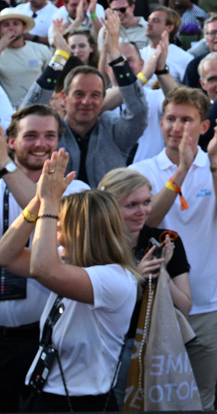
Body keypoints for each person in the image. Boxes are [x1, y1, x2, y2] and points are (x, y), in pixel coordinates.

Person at [129, 87, 217, 410]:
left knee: (202, 401)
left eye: (186, 120)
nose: (176, 127)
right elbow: (146, 220)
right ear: (161, 123)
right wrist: (181, 171)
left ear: (204, 127)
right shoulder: (142, 171)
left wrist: (214, 162)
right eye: (170, 119)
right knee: (155, 400)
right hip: (156, 306)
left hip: (210, 304)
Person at [0, 150, 139, 412]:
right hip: (45, 395)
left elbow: (43, 269)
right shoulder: (70, 265)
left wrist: (51, 203)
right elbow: (6, 255)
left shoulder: (116, 279)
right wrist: (38, 203)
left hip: (80, 404)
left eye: (59, 228)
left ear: (82, 232)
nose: (56, 238)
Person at [0, 106, 89, 412]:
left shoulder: (75, 189)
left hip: (44, 341)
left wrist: (4, 167)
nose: (41, 144)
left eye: (49, 136)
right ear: (11, 141)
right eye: (31, 136)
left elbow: (48, 212)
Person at [22, 15, 146, 186]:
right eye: (79, 94)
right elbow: (26, 115)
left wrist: (115, 55)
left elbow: (138, 111)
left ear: (103, 99)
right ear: (64, 97)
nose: (86, 101)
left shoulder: (115, 132)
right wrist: (60, 57)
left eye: (95, 95)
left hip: (108, 211)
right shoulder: (51, 133)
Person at [97, 168, 192, 316]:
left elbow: (185, 307)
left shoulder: (166, 240)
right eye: (131, 205)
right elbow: (99, 307)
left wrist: (162, 273)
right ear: (109, 207)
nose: (142, 211)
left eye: (147, 202)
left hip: (156, 337)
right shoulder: (94, 245)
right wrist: (135, 278)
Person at [0, 8, 51, 108]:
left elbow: (52, 77)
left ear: (23, 27)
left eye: (15, 24)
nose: (11, 28)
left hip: (38, 108)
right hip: (8, 110)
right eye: (6, 25)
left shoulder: (41, 49)